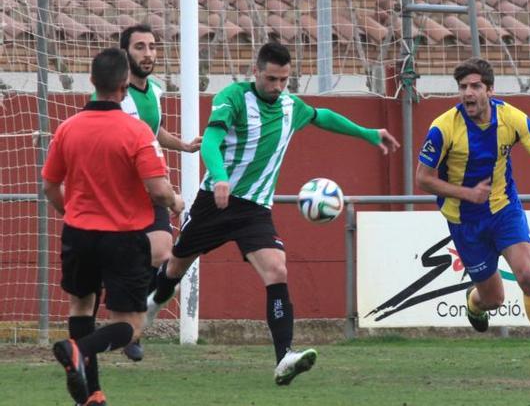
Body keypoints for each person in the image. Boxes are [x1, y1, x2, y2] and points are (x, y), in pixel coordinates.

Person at [144, 41, 400, 385]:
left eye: (284, 80)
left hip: (255, 211)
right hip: (214, 202)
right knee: (175, 268)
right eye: (271, 79)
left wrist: (367, 133)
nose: (278, 87)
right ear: (256, 73)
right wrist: (219, 177)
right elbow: (209, 141)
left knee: (277, 270)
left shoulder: (289, 106)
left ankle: (284, 358)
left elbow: (321, 116)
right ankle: (153, 302)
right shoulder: (234, 97)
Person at [43, 48, 184, 405]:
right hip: (122, 237)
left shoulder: (67, 129)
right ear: (124, 86)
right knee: (130, 325)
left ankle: (91, 394)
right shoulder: (136, 132)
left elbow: (49, 185)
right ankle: (79, 350)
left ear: (92, 82)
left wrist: (71, 215)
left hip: (78, 234)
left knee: (81, 307)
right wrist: (175, 201)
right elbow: (156, 189)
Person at [415, 57, 530, 375]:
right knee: (494, 299)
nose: (468, 93)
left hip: (504, 210)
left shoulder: (512, 118)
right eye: (462, 87)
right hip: (464, 221)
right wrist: (467, 194)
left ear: (490, 90)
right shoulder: (443, 127)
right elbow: (423, 178)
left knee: (528, 276)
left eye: (475, 87)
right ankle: (475, 301)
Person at [110, 23, 202, 362]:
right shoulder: (113, 95)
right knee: (122, 262)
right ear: (125, 53)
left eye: (152, 46)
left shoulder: (156, 91)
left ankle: (133, 327)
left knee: (164, 253)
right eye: (140, 47)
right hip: (119, 192)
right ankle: (113, 324)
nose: (148, 53)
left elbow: (153, 129)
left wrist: (184, 147)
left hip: (151, 186)